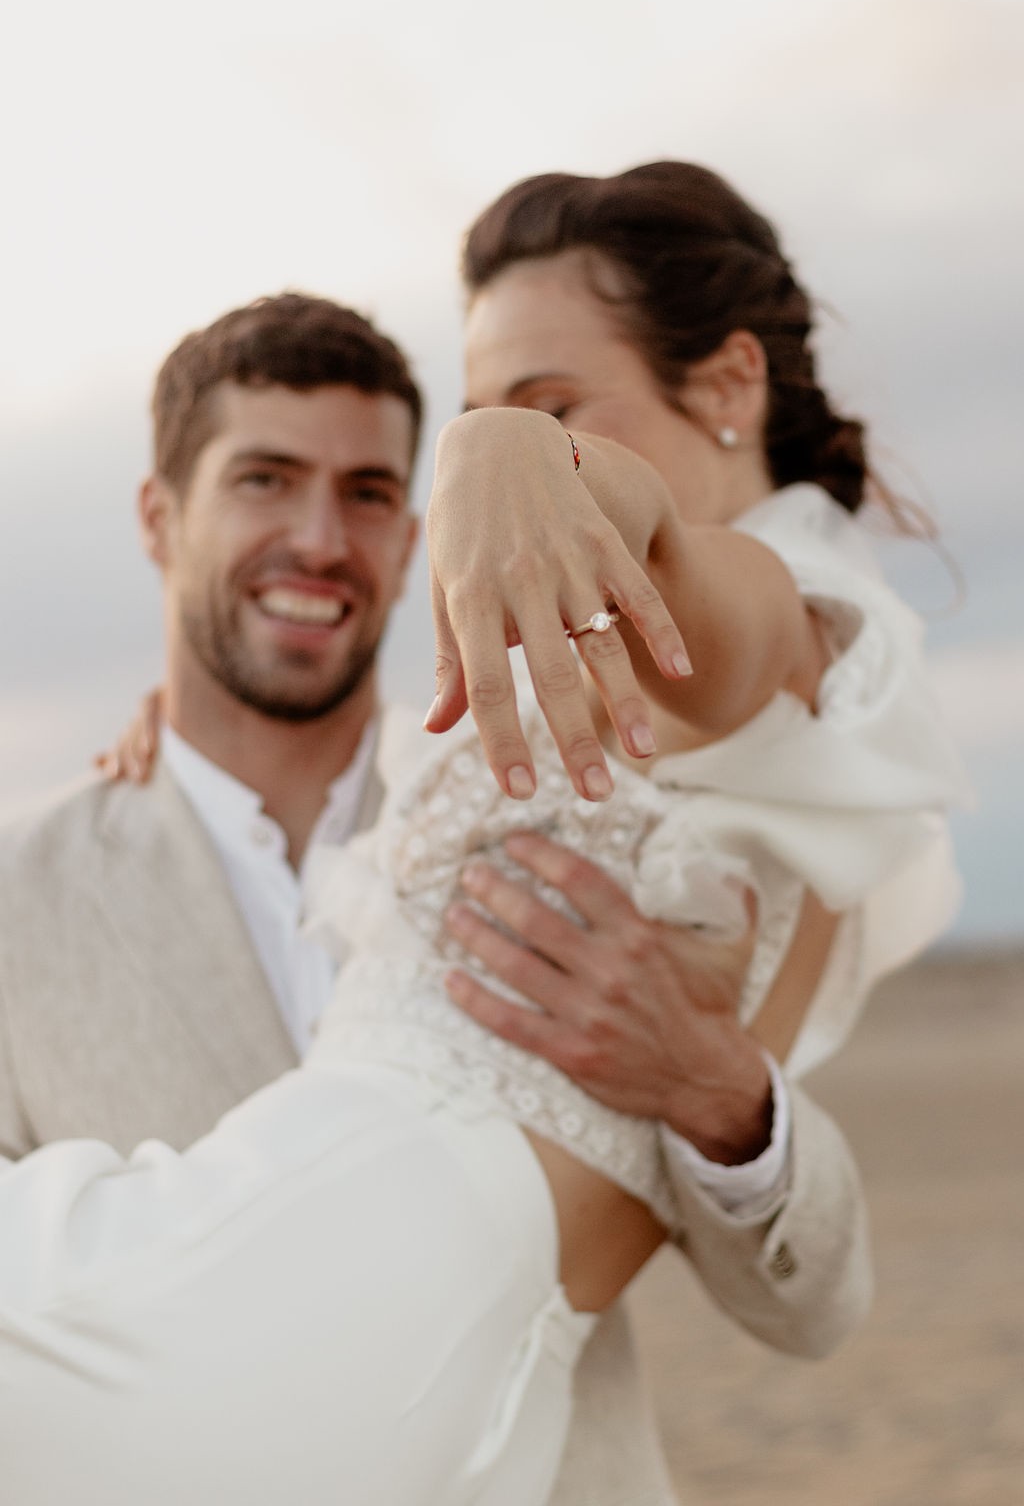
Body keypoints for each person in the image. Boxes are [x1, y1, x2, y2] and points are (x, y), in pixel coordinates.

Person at [0, 284, 883, 1506]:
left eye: (367, 493)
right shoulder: (19, 894)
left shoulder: (570, 769)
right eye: (263, 478)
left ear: (418, 537)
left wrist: (718, 1095)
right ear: (159, 518)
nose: (319, 538)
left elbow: (815, 1309)